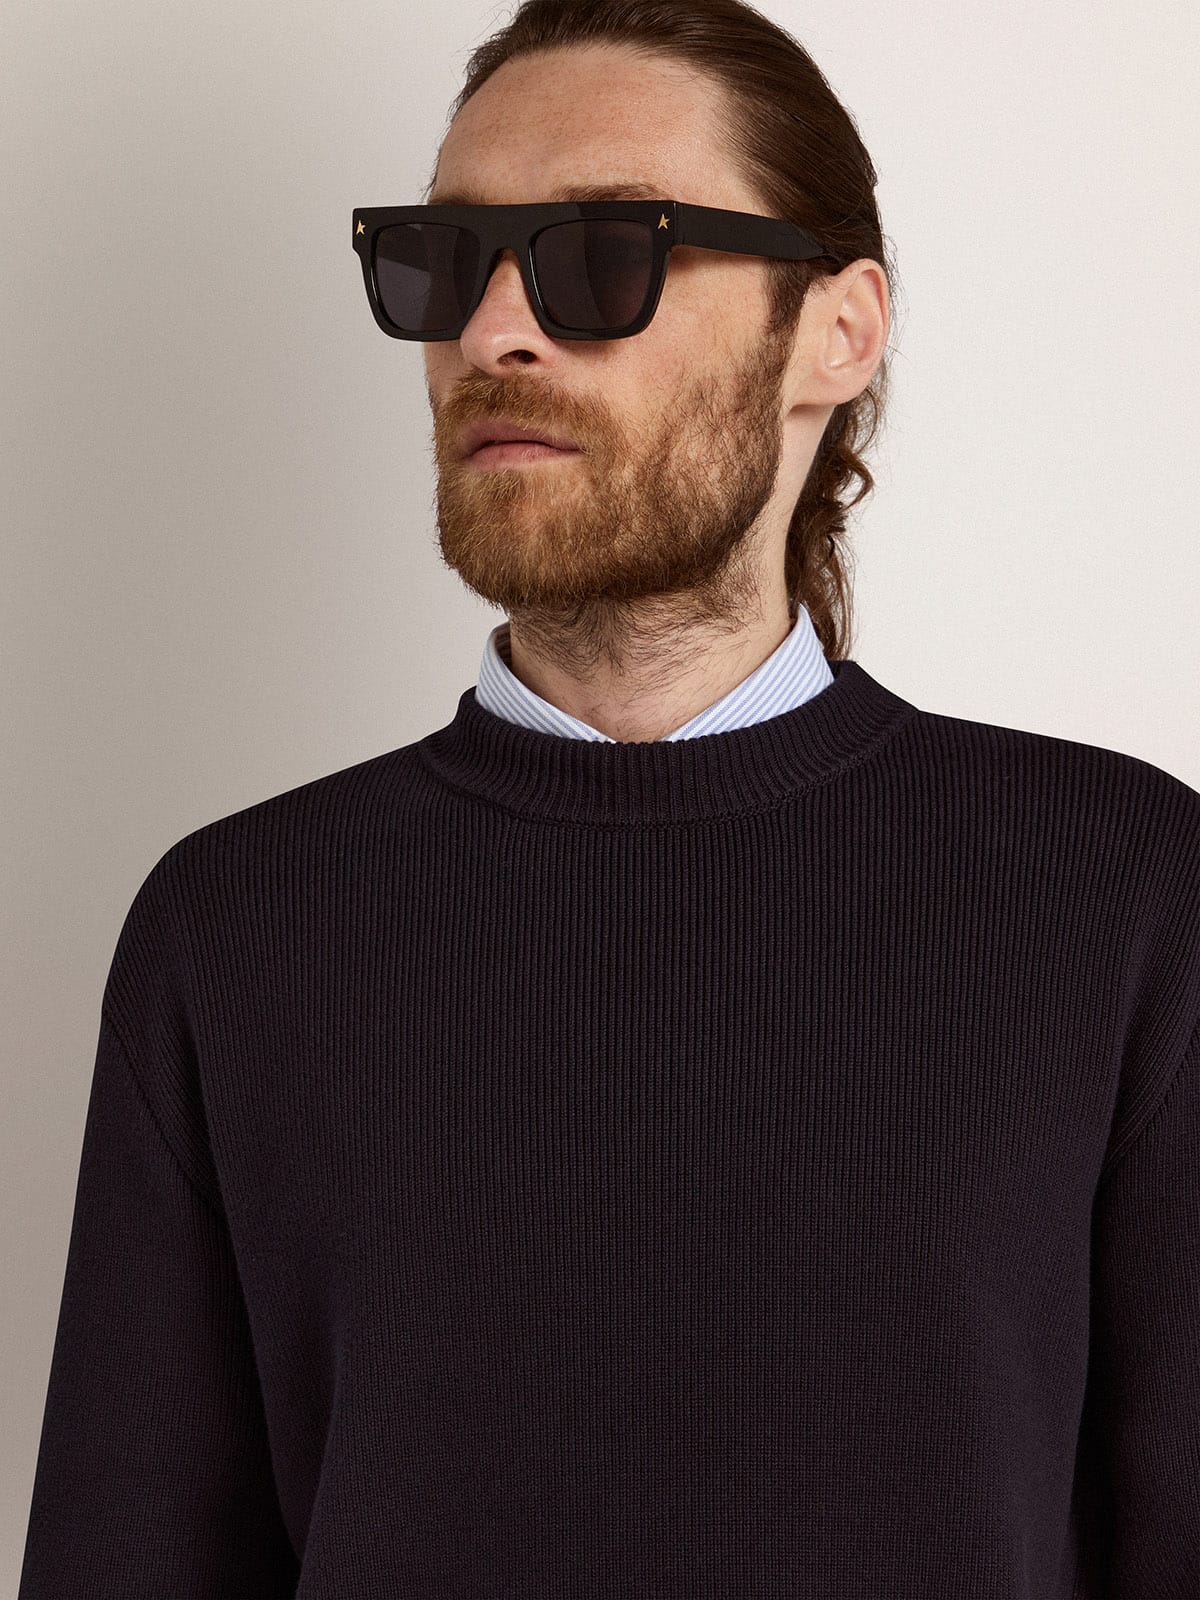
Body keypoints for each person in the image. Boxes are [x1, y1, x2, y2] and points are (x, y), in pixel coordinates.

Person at [19, 1, 1200, 1596]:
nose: (494, 331)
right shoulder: (235, 931)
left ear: (838, 329)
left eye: (601, 253)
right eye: (444, 260)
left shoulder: (1119, 893)